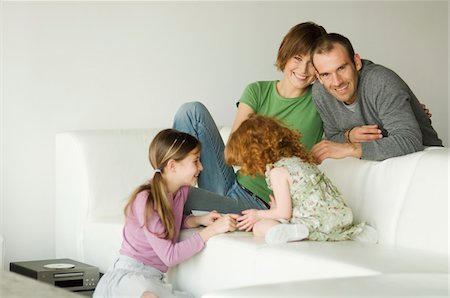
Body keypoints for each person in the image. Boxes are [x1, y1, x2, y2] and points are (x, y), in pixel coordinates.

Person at [173, 22, 327, 214]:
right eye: (297, 58)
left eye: (311, 63)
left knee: (177, 196)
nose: (303, 69)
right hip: (229, 184)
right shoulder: (258, 91)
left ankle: (179, 211)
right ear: (285, 54)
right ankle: (181, 209)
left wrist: (350, 140)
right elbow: (233, 154)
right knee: (191, 111)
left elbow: (348, 107)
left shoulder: (321, 100)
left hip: (261, 202)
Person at [93, 129, 237, 298]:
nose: (201, 167)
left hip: (154, 279)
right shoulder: (147, 199)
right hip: (130, 277)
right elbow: (169, 256)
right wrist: (212, 230)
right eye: (196, 161)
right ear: (172, 166)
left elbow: (168, 222)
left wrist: (197, 220)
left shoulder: (181, 192)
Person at [224, 114, 374, 244]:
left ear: (255, 155)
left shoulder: (277, 172)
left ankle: (294, 232)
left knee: (259, 227)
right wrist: (275, 210)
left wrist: (257, 214)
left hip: (312, 222)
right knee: (273, 220)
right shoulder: (298, 161)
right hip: (336, 217)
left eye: (245, 162)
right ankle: (355, 233)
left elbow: (284, 213)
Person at [310, 33, 442, 163]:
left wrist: (351, 148)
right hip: (376, 167)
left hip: (425, 161)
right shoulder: (320, 92)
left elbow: (409, 140)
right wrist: (348, 136)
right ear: (318, 76)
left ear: (356, 62)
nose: (337, 81)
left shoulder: (381, 81)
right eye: (326, 74)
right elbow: (333, 137)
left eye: (341, 68)